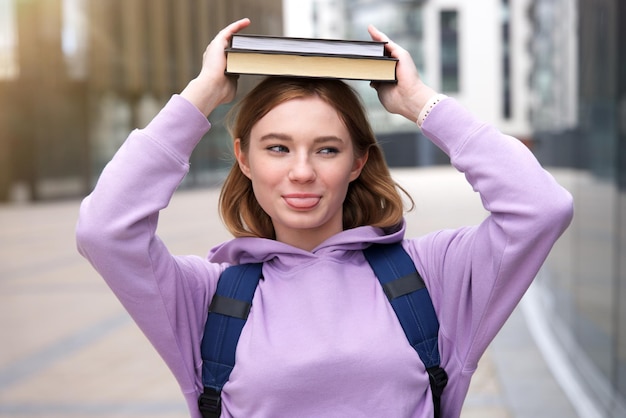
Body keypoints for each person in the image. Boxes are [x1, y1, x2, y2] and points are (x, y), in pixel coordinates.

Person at [76, 18, 573, 418]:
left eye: (327, 149)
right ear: (244, 159)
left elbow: (540, 208)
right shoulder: (206, 298)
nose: (301, 171)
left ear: (357, 161)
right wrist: (200, 97)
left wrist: (421, 103)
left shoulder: (432, 275)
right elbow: (105, 229)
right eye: (277, 148)